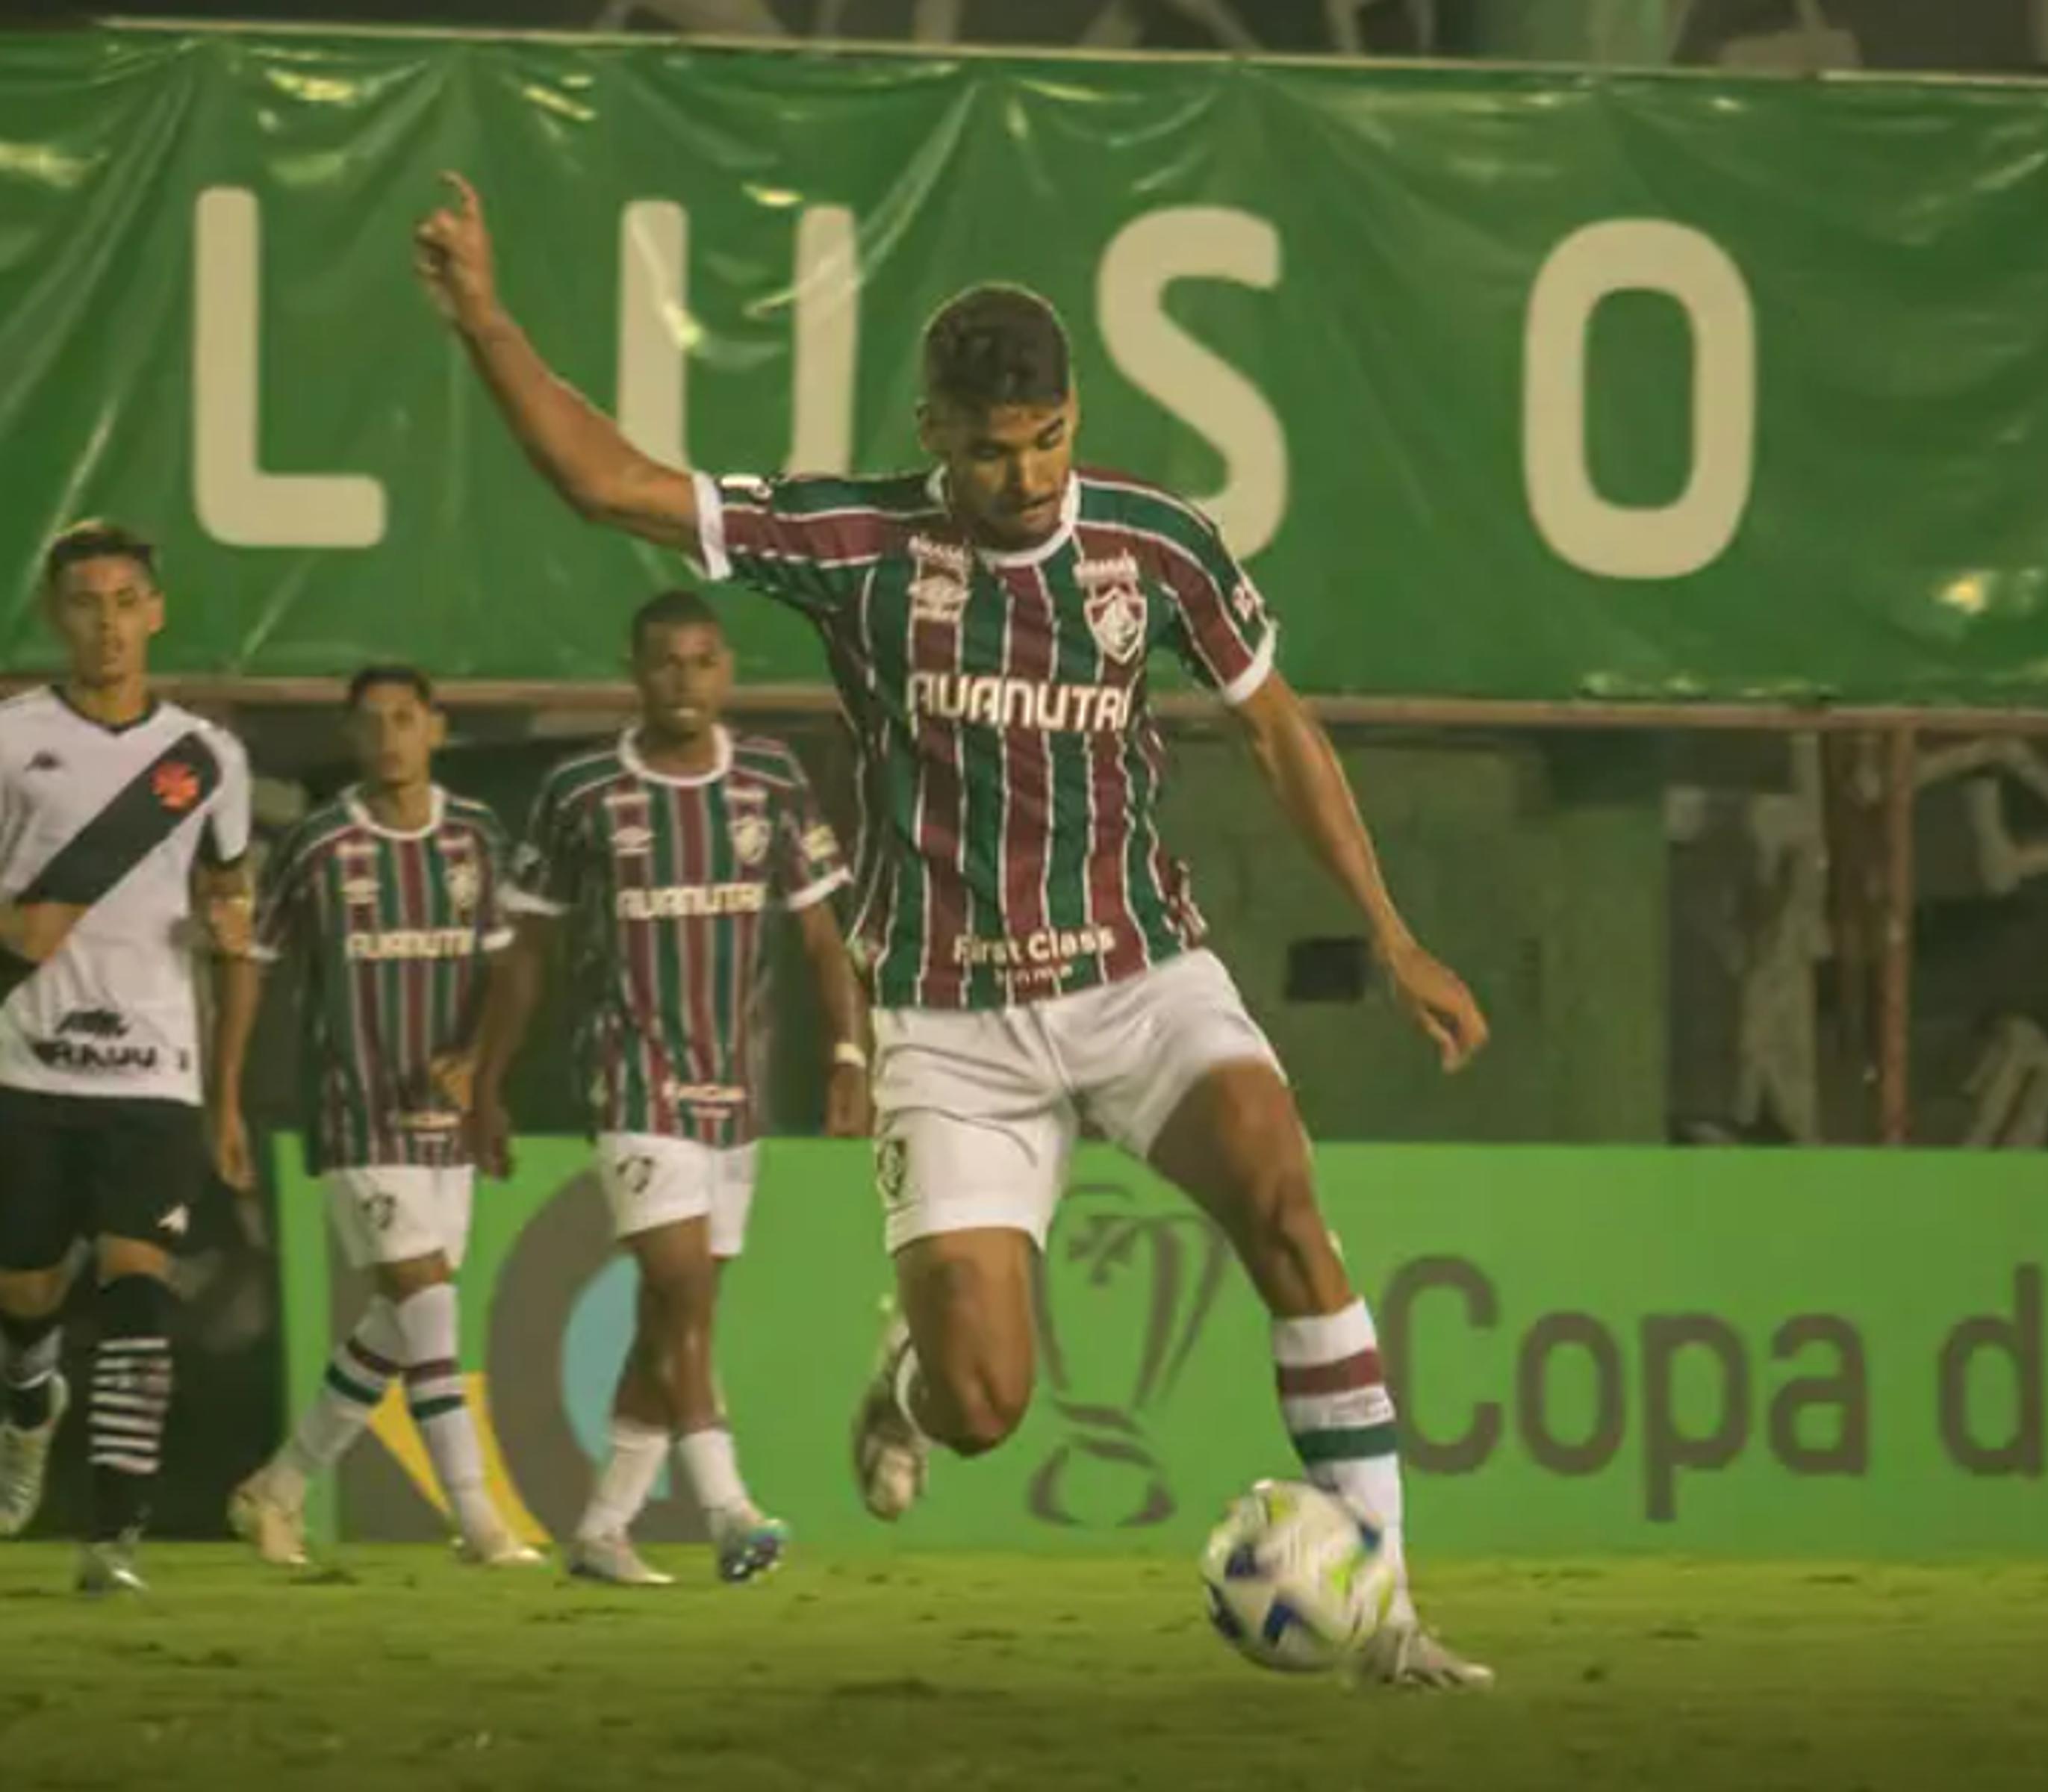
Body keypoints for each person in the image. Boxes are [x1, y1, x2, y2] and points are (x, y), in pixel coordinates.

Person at [415, 175, 1495, 1684]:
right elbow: (614, 485)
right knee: (983, 1407)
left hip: (1139, 976)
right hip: (950, 1024)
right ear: (934, 436)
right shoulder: (853, 545)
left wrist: (1391, 932)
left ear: (1076, 416)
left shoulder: (1155, 546)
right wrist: (480, 317)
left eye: (1049, 440)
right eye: (992, 452)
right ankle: (903, 1372)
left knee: (1285, 1204)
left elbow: (1277, 733)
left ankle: (1385, 1616)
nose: (1028, 475)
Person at [465, 590, 864, 1587]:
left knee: (676, 1316)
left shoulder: (771, 780)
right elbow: (528, 950)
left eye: (700, 660)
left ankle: (603, 1529)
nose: (683, 678)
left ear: (724, 671)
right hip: (631, 1074)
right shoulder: (582, 791)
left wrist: (851, 1055)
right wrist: (485, 1079)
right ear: (634, 672)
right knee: (678, 1287)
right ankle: (730, 1509)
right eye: (664, 661)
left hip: (739, 1083)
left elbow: (824, 938)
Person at [223, 665, 541, 1569]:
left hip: (445, 1124)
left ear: (436, 729)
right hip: (356, 1113)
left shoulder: (477, 837)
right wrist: (232, 1098)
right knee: (431, 1305)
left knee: (400, 1331)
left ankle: (276, 1488)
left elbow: (506, 975)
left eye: (407, 719)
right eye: (374, 723)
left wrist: (480, 1072)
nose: (392, 736)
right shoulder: (318, 847)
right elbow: (254, 960)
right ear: (353, 739)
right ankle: (479, 1521)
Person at [0, 520, 256, 1594]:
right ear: (60, 615)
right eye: (86, 603)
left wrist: (229, 1095)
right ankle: (27, 1408)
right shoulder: (11, 739)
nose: (107, 624)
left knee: (140, 1294)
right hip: (26, 1066)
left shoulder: (207, 759)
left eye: (125, 601)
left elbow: (234, 920)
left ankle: (114, 1538)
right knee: (25, 1297)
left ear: (154, 612)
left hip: (154, 1074)